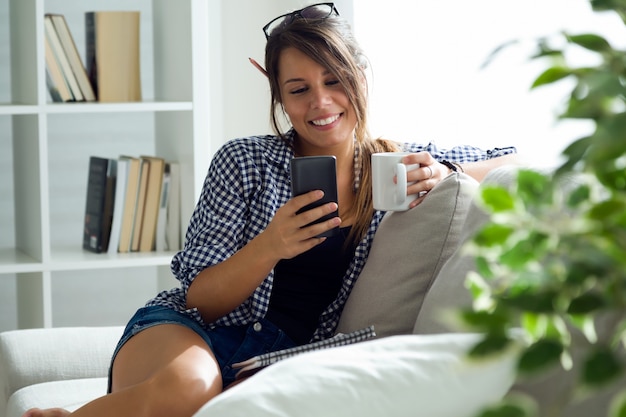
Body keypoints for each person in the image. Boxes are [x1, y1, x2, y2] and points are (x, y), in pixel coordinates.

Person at [23, 3, 518, 417]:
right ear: (279, 96)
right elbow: (200, 298)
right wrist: (271, 246)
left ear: (360, 76)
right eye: (298, 89)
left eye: (334, 80)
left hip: (284, 357)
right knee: (189, 390)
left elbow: (515, 161)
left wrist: (443, 169)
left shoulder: (395, 162)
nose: (320, 103)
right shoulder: (244, 161)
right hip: (191, 331)